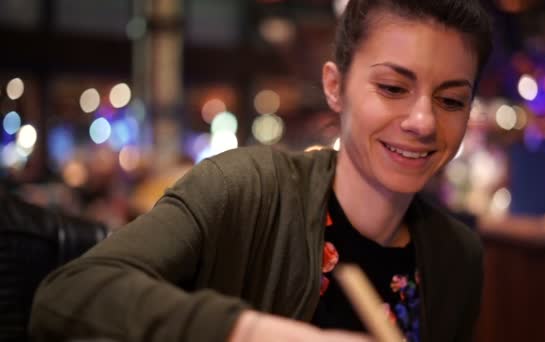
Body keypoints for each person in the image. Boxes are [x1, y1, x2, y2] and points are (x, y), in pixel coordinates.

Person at [29, 0, 493, 341]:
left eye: (451, 100)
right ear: (336, 87)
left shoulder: (457, 256)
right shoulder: (246, 188)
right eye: (393, 88)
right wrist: (253, 332)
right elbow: (68, 294)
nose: (423, 122)